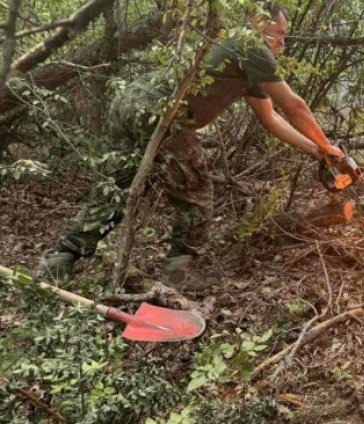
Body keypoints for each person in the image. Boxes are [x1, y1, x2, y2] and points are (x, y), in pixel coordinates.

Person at [37, 1, 345, 290]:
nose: (282, 43)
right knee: (196, 190)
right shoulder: (252, 46)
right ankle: (175, 277)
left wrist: (319, 151)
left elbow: (272, 119)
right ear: (258, 24)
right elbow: (295, 107)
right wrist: (328, 143)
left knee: (120, 186)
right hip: (159, 111)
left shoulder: (241, 52)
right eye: (279, 34)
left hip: (129, 101)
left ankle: (62, 257)